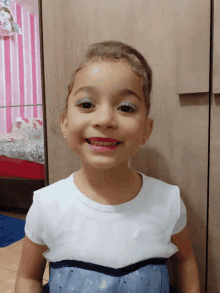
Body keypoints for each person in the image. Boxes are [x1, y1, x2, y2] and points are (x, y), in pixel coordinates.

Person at [16, 41, 190, 293]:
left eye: (125, 107)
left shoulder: (168, 201)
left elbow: (187, 262)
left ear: (146, 130)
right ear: (64, 123)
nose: (105, 119)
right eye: (87, 104)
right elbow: (27, 278)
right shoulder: (47, 205)